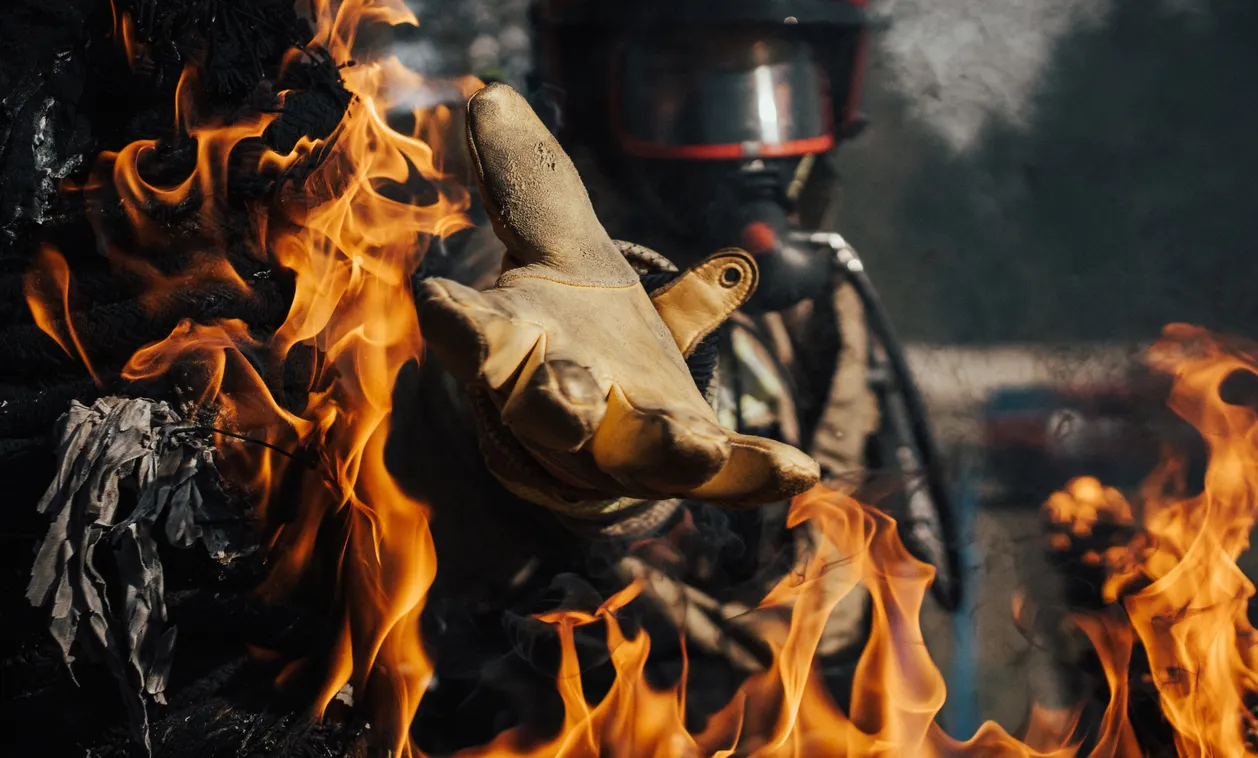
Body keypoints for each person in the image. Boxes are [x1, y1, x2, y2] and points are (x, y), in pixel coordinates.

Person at [392, 1, 964, 745]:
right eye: (678, 72)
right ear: (593, 86)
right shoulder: (514, 276)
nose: (736, 118)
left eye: (765, 74)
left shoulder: (818, 299)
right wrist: (599, 474)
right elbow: (524, 361)